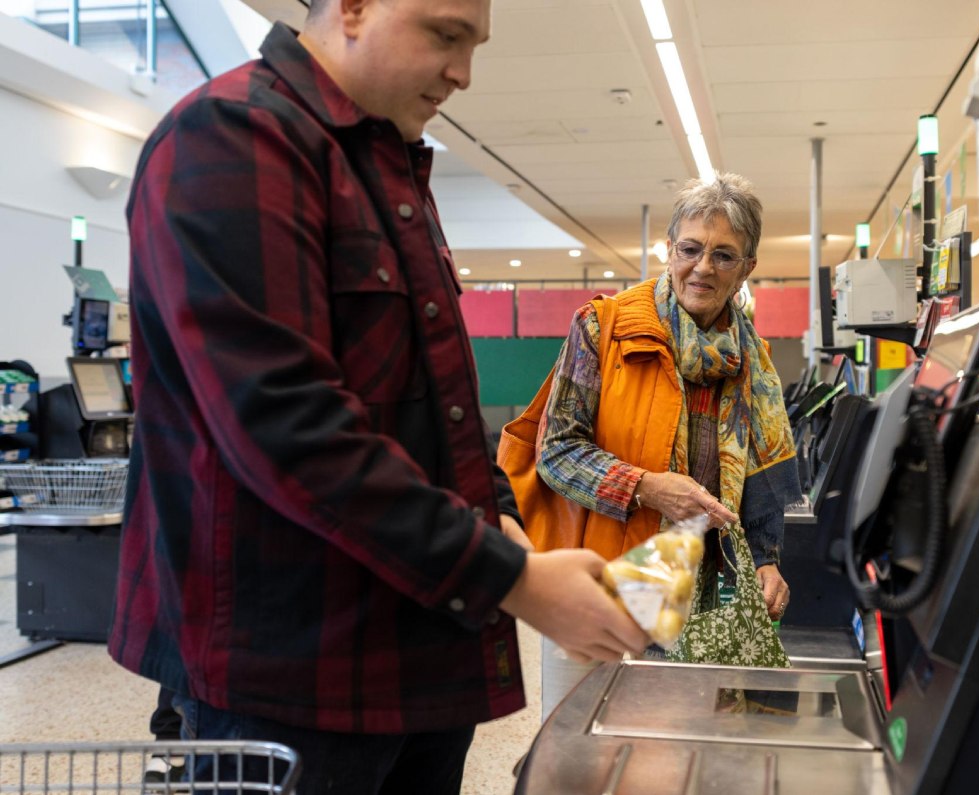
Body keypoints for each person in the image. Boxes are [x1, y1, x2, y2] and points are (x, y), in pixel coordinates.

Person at [107, 0, 647, 792]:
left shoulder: (385, 164)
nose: (464, 72)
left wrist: (504, 524)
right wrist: (513, 578)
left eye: (474, 44)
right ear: (353, 7)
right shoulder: (232, 137)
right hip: (283, 685)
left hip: (410, 662)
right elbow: (289, 428)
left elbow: (440, 402)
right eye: (445, 34)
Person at [533, 173, 803, 719]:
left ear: (747, 268)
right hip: (602, 579)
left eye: (724, 256)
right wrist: (645, 488)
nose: (703, 268)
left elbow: (757, 473)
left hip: (700, 600)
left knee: (667, 754)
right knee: (580, 753)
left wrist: (767, 561)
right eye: (690, 249)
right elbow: (555, 451)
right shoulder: (601, 328)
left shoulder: (754, 362)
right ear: (668, 249)